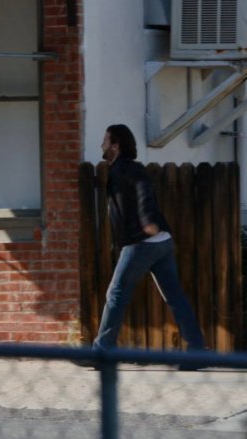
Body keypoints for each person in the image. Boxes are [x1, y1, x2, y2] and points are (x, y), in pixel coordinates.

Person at [79, 124, 205, 368]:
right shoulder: (122, 169)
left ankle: (101, 353)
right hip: (161, 242)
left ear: (116, 145)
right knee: (174, 296)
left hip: (142, 242)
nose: (102, 144)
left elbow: (143, 189)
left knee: (116, 294)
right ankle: (197, 352)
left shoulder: (127, 168)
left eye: (105, 140)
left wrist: (147, 219)